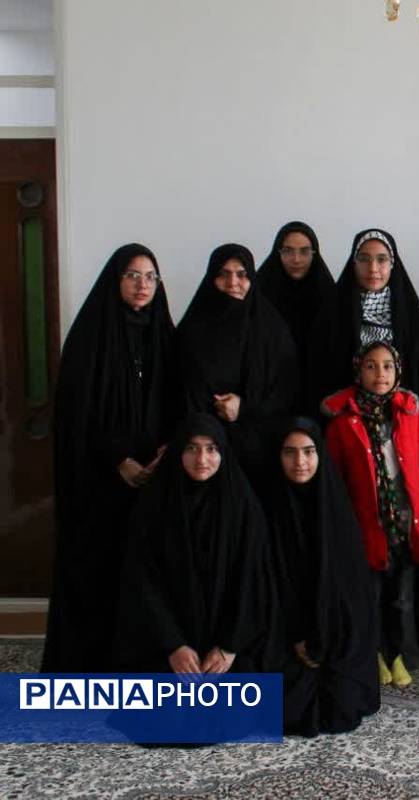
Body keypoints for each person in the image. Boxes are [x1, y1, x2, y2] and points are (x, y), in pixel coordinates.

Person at [43, 243, 180, 673]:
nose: (142, 285)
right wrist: (119, 459)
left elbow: (179, 400)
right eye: (132, 276)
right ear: (115, 280)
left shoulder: (164, 334)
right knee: (99, 570)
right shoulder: (91, 337)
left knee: (146, 575)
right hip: (100, 481)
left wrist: (166, 450)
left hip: (155, 477)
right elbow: (76, 414)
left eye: (150, 277)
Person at [113, 414, 276, 675]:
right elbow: (141, 579)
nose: (201, 459)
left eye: (211, 449)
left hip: (230, 652)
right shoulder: (154, 506)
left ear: (223, 452)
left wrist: (229, 646)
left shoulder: (243, 508)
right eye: (192, 448)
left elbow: (254, 578)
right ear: (178, 452)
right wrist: (173, 645)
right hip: (164, 650)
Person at [324, 341, 419, 687]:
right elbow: (336, 479)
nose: (380, 374)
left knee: (402, 598)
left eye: (388, 366)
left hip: (405, 525)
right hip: (366, 527)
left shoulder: (411, 416)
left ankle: (399, 653)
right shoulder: (342, 423)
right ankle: (374, 654)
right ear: (358, 371)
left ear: (398, 371)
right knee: (371, 596)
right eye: (371, 366)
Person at [266, 418, 380, 736]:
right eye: (289, 452)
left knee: (342, 706)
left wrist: (324, 640)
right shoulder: (267, 511)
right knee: (287, 707)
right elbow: (269, 588)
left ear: (321, 455)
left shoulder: (337, 510)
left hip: (335, 641)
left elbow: (352, 597)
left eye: (308, 451)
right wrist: (297, 636)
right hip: (285, 637)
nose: (300, 462)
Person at [175, 243, 299, 488]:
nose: (233, 282)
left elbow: (287, 393)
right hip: (201, 453)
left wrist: (245, 407)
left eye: (242, 275)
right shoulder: (191, 330)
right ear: (211, 279)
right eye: (223, 274)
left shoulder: (273, 331)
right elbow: (178, 388)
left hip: (259, 451)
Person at [323, 228, 419, 469]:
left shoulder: (410, 317)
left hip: (406, 431)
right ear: (353, 264)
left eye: (381, 259)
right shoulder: (334, 314)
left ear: (393, 264)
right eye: (364, 259)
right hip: (349, 435)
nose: (373, 268)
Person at [257, 221, 338, 415]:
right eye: (288, 251)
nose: (296, 259)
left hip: (318, 393)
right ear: (278, 253)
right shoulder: (260, 294)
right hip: (268, 394)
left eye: (304, 251)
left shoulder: (330, 296)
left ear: (314, 254)